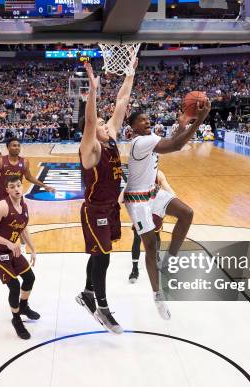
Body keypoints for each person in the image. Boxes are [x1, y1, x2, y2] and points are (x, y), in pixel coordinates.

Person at [124, 99, 211, 319]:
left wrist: (183, 124)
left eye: (147, 118)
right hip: (138, 200)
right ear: (132, 127)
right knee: (151, 247)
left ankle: (170, 259)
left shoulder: (150, 138)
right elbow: (176, 145)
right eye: (141, 120)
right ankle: (157, 296)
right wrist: (199, 119)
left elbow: (173, 139)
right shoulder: (139, 142)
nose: (147, 121)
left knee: (187, 213)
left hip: (152, 192)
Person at [75, 60, 137, 334]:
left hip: (111, 208)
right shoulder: (90, 148)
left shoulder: (110, 138)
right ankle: (101, 307)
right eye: (101, 123)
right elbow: (90, 119)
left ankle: (87, 292)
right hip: (94, 210)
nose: (104, 124)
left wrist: (130, 74)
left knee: (99, 253)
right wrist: (92, 90)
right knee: (105, 256)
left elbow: (122, 101)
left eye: (104, 122)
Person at [0, 175, 39, 340]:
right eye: (12, 186)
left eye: (18, 185)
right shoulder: (2, 207)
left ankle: (23, 306)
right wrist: (8, 243)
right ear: (7, 190)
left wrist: (32, 249)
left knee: (29, 277)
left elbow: (23, 228)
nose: (16, 189)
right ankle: (16, 319)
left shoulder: (24, 205)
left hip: (11, 249)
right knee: (14, 285)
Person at [0, 137, 56, 253]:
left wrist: (45, 186)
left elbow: (29, 177)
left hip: (17, 198)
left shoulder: (24, 162)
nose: (17, 147)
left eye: (18, 145)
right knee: (0, 224)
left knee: (20, 223)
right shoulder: (0, 161)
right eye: (14, 145)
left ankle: (23, 248)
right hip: (3, 198)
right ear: (8, 147)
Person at [125, 169, 175, 284]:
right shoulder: (138, 172)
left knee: (156, 233)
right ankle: (135, 269)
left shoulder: (159, 174)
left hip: (154, 209)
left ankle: (157, 258)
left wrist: (175, 201)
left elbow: (168, 189)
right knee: (137, 236)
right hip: (141, 208)